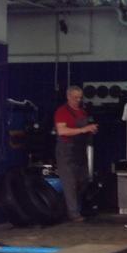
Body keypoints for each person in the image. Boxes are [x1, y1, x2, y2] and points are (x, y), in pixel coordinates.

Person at [54, 85, 98, 222]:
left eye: (80, 97)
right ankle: (73, 214)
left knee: (83, 180)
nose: (78, 100)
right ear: (68, 97)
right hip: (66, 150)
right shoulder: (62, 112)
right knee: (69, 182)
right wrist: (83, 129)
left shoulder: (82, 112)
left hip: (80, 150)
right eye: (75, 98)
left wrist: (91, 129)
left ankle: (70, 208)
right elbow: (62, 131)